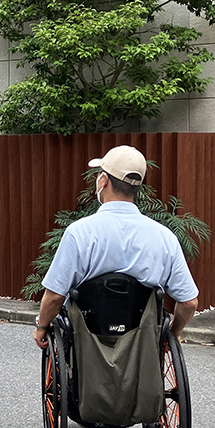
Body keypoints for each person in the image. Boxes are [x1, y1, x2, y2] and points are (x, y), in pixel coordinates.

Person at [32, 145, 199, 350]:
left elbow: (55, 295)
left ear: (103, 181)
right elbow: (189, 302)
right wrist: (173, 333)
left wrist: (42, 326)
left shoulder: (79, 233)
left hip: (86, 343)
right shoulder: (165, 238)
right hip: (142, 345)